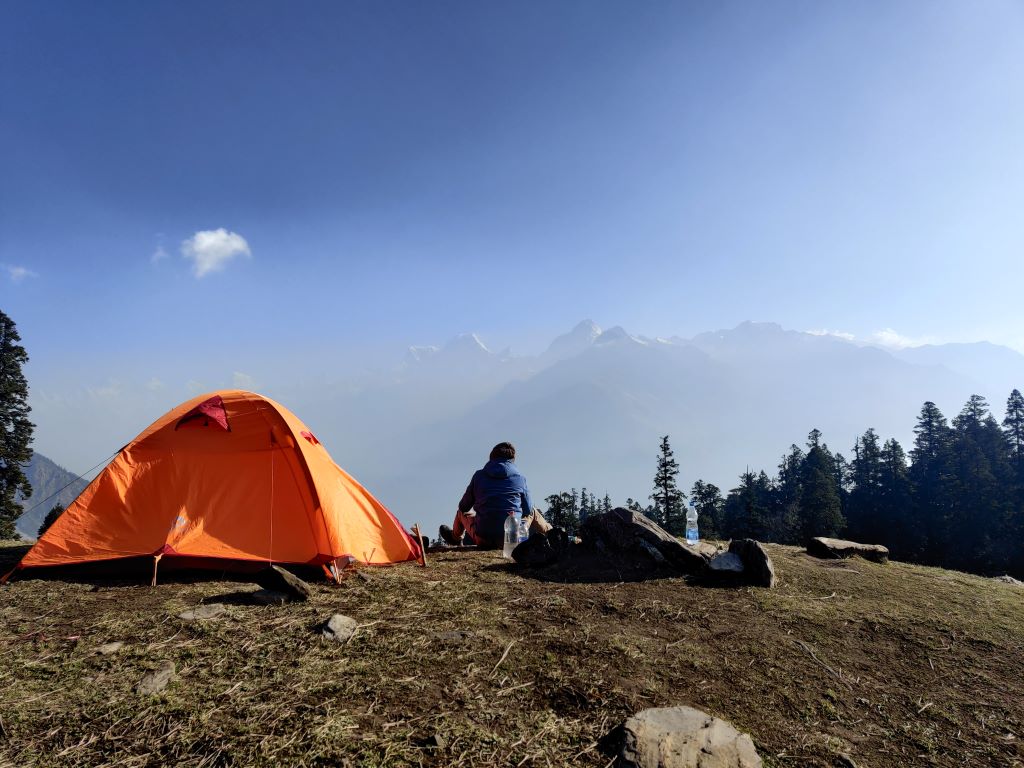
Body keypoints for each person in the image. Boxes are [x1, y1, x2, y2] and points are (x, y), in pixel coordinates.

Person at [440, 442, 548, 548]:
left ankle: (455, 538)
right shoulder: (520, 479)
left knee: (461, 513)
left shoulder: (478, 476)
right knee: (533, 511)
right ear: (512, 460)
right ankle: (553, 536)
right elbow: (527, 510)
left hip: (483, 539)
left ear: (491, 458)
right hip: (512, 539)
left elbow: (463, 506)